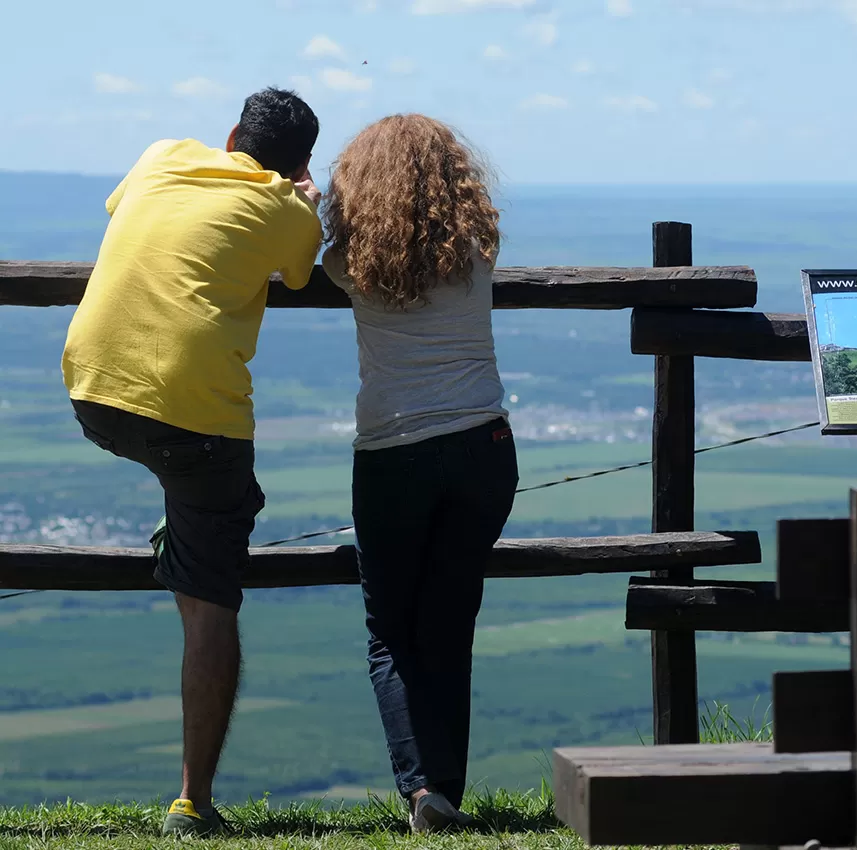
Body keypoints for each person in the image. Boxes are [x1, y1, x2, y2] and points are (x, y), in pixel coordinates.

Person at [61, 88, 323, 835]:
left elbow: (128, 215)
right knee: (212, 594)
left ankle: (186, 529)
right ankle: (192, 802)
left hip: (94, 392)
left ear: (234, 132)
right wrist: (307, 199)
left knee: (204, 491)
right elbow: (301, 273)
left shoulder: (162, 154)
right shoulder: (288, 209)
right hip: (195, 419)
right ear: (301, 163)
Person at [320, 114, 517, 833]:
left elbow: (316, 246)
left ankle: (422, 790)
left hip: (393, 455)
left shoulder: (352, 264)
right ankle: (446, 793)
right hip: (484, 444)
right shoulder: (478, 246)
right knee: (449, 624)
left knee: (392, 633)